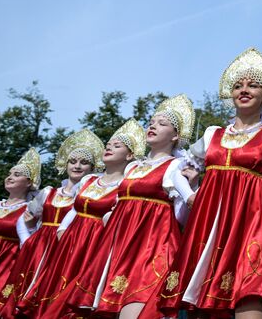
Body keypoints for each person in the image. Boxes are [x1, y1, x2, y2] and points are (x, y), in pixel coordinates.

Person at [156, 48, 262, 319]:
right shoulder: (212, 134)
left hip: (248, 222)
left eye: (253, 85)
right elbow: (176, 170)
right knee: (203, 300)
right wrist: (191, 195)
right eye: (238, 85)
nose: (244, 89)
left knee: (249, 291)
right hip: (208, 225)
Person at [63, 94, 197, 319]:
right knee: (107, 307)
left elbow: (182, 214)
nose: (153, 126)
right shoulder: (133, 167)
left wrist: (192, 188)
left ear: (175, 136)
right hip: (119, 242)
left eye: (162, 124)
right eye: (151, 122)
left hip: (152, 245)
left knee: (136, 306)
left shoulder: (175, 165)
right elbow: (116, 204)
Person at [19, 119, 145, 318]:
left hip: (95, 245)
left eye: (117, 146)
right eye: (108, 145)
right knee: (54, 290)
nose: (109, 147)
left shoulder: (126, 185)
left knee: (77, 298)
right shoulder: (89, 180)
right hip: (70, 242)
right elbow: (74, 209)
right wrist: (62, 229)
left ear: (129, 155)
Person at [0, 130, 104, 318]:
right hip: (39, 248)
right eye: (73, 161)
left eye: (84, 162)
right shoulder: (48, 192)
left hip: (66, 248)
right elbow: (25, 218)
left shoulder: (88, 196)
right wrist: (27, 241)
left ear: (93, 167)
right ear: (66, 164)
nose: (77, 166)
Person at [0, 148, 40, 313]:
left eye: (17, 174)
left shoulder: (29, 210)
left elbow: (33, 241)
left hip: (7, 264)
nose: (10, 177)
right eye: (10, 173)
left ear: (29, 182)